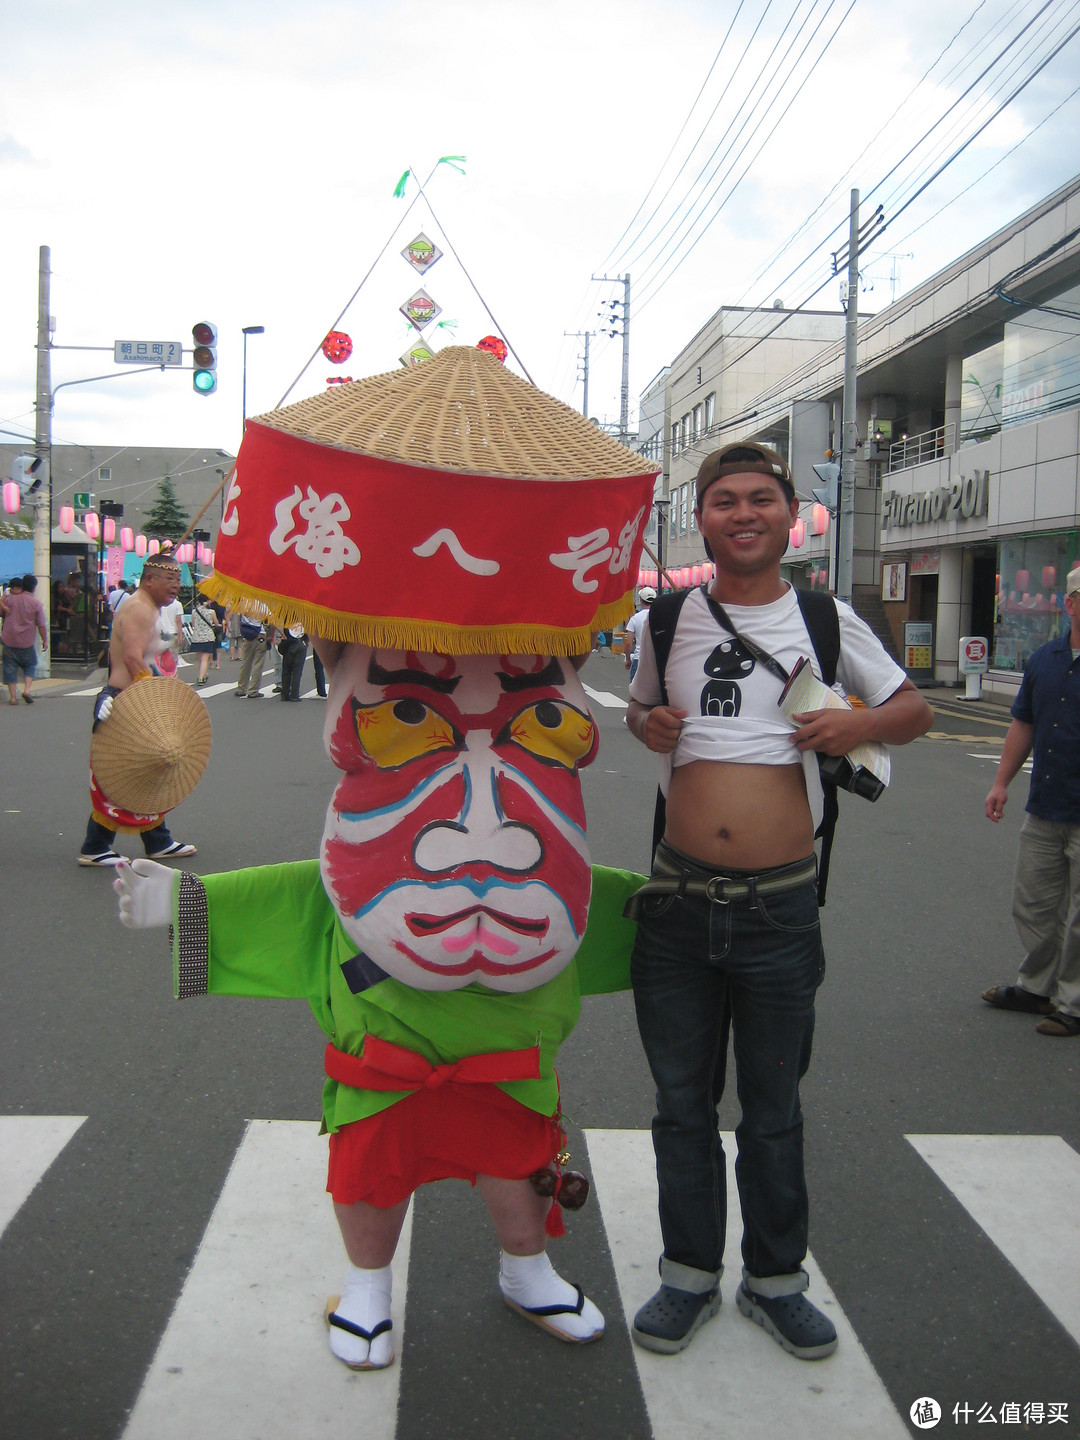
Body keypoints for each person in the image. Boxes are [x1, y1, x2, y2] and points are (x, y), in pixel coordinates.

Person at [624, 442, 933, 1360]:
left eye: (761, 499)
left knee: (773, 1109)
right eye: (725, 500)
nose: (744, 513)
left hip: (780, 909)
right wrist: (653, 725)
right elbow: (642, 712)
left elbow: (912, 709)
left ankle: (774, 1280)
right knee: (682, 1105)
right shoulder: (666, 617)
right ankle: (688, 1276)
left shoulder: (825, 618)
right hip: (677, 903)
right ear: (703, 517)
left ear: (789, 515)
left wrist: (860, 721)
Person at [981, 565, 1080, 1038]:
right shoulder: (1045, 659)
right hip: (1046, 805)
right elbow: (1024, 724)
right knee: (1033, 904)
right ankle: (1037, 986)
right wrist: (1002, 782)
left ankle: (1074, 1002)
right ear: (1069, 603)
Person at [78, 551, 197, 866]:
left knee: (149, 773)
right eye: (169, 579)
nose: (176, 586)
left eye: (178, 579)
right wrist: (151, 697)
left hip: (136, 696)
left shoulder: (148, 608)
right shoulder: (140, 609)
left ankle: (157, 841)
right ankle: (95, 846)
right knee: (121, 774)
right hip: (126, 699)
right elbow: (132, 658)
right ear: (149, 579)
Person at [1, 574, 48, 705]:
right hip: (27, 642)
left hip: (9, 640)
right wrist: (45, 640)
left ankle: (13, 698)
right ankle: (27, 690)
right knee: (30, 665)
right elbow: (41, 625)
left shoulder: (10, 600)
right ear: (34, 587)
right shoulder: (35, 603)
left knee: (9, 668)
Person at [623, 586, 657, 683]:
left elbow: (629, 643)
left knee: (635, 691)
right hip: (655, 660)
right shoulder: (661, 617)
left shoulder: (635, 618)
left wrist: (628, 659)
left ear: (641, 601)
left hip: (639, 658)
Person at [188, 591, 223, 684]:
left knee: (200, 659)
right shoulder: (211, 612)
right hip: (208, 637)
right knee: (205, 659)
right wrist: (219, 625)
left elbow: (193, 624)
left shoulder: (194, 611)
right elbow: (216, 623)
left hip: (196, 637)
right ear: (207, 601)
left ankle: (203, 674)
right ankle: (201, 677)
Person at [235, 614, 272, 697]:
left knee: (245, 663)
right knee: (258, 664)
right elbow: (271, 621)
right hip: (260, 636)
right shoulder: (263, 606)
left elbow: (239, 619)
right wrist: (270, 636)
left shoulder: (245, 605)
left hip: (248, 636)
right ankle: (253, 690)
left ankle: (241, 688)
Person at [277, 622, 308, 700]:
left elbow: (284, 634)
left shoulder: (287, 621)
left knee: (286, 671)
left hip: (288, 646)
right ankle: (294, 694)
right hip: (300, 644)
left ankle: (285, 694)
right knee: (297, 672)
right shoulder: (303, 619)